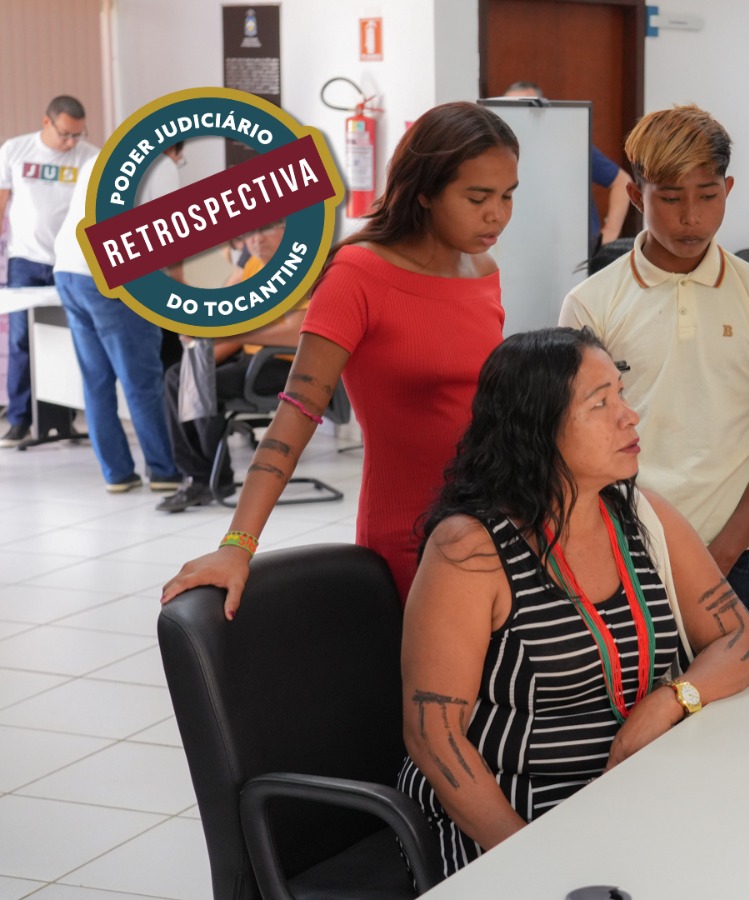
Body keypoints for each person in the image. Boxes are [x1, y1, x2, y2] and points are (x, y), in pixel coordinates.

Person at [396, 327, 749, 875]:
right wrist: (532, 861)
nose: (629, 416)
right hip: (515, 818)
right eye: (601, 403)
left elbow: (744, 642)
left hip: (633, 797)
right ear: (538, 427)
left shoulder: (642, 517)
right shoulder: (470, 550)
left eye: (621, 393)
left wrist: (672, 699)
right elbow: (433, 737)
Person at [159, 102, 518, 616]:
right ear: (423, 191)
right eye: (478, 197)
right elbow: (297, 412)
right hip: (411, 532)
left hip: (498, 523)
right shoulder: (357, 274)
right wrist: (238, 544)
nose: (497, 214)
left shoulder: (484, 270)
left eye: (508, 196)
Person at [559, 104, 749, 634]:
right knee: (634, 706)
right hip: (624, 551)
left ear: (729, 188)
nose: (691, 218)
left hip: (735, 555)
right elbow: (573, 444)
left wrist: (723, 551)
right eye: (670, 199)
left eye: (708, 196)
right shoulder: (591, 304)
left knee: (733, 709)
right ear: (636, 195)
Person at [49, 148, 180, 492]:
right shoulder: (162, 164)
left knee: (96, 380)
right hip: (110, 278)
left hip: (68, 271)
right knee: (141, 380)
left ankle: (118, 474)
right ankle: (164, 470)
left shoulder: (100, 158)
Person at [156, 221, 306, 512]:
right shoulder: (252, 268)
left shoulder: (299, 268)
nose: (257, 238)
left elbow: (296, 332)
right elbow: (224, 316)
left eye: (267, 229)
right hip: (252, 358)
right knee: (180, 374)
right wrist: (200, 337)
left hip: (285, 365)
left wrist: (237, 334)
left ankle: (211, 477)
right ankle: (196, 475)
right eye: (252, 231)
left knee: (202, 381)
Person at [0, 95, 100, 448]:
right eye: (65, 134)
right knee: (21, 342)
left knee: (73, 337)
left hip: (70, 262)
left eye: (77, 134)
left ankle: (65, 417)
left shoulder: (89, 156)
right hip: (25, 259)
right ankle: (20, 420)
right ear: (46, 122)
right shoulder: (15, 150)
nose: (71, 142)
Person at [503, 81, 631, 249]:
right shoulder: (501, 153)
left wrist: (611, 231)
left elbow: (622, 181)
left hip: (578, 248)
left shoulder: (570, 146)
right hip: (523, 246)